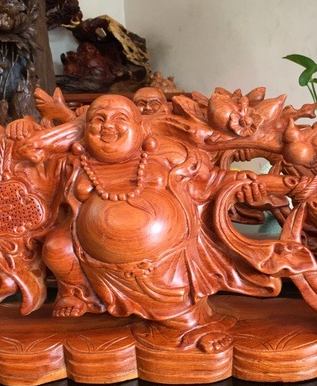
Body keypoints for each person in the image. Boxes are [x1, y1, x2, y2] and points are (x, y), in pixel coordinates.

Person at [42, 94, 280, 351]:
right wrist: (19, 130)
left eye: (119, 119)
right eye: (98, 120)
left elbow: (212, 180)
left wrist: (243, 184)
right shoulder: (75, 161)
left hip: (168, 258)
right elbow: (35, 174)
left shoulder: (169, 152)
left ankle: (195, 325)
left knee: (178, 308)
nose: (107, 126)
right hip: (95, 261)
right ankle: (77, 292)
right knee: (56, 247)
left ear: (140, 126)